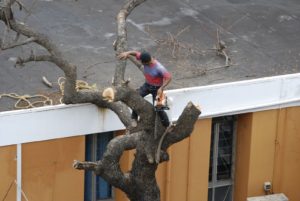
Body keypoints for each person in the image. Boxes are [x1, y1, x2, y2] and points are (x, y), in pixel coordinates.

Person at [118, 50, 172, 127]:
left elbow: (169, 78)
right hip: (147, 85)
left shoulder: (159, 67)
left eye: (142, 62)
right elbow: (136, 53)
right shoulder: (145, 56)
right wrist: (127, 53)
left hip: (157, 88)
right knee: (136, 98)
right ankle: (134, 118)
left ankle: (166, 125)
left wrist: (161, 88)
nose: (141, 63)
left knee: (159, 108)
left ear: (147, 62)